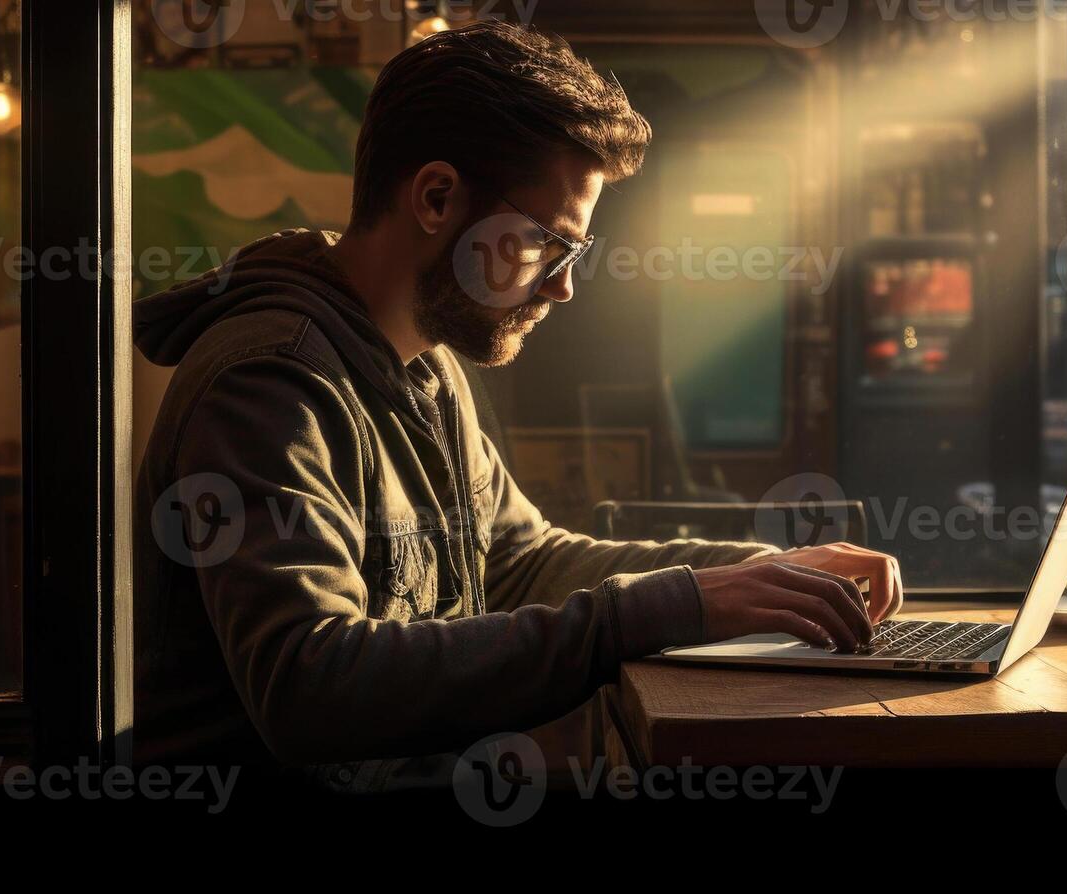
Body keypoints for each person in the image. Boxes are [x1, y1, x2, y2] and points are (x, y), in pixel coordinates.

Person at [133, 21, 902, 786]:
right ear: (435, 197)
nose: (562, 285)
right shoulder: (270, 381)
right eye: (548, 244)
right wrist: (674, 607)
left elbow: (521, 562)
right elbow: (308, 688)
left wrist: (756, 576)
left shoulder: (426, 365)